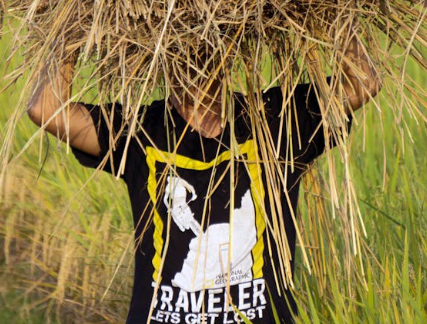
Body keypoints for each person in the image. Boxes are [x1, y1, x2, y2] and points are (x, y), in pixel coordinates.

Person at [26, 37, 381, 324]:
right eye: (183, 44)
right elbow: (46, 109)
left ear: (231, 49)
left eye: (209, 42)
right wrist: (70, 30)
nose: (196, 58)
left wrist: (335, 6)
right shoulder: (140, 131)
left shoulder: (277, 121)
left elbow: (362, 81)